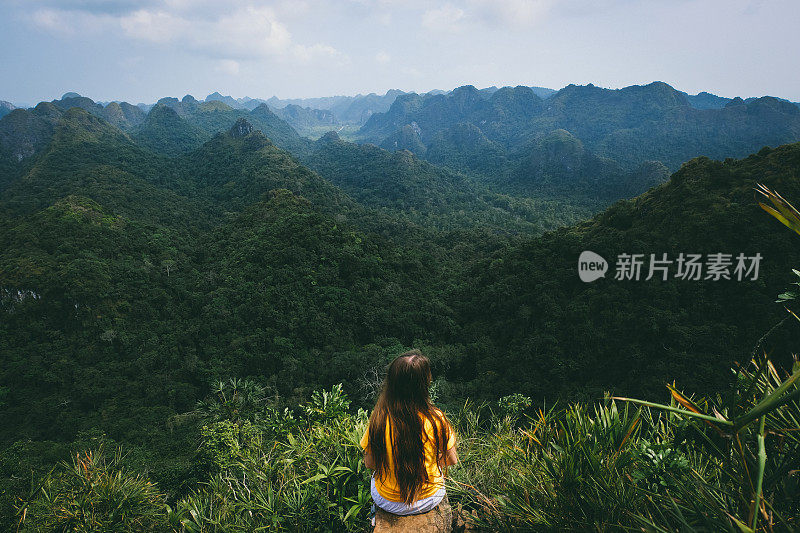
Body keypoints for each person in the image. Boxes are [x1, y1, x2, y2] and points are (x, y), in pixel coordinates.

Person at [360, 349, 458, 518]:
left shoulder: (380, 419)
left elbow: (370, 463)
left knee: (374, 481)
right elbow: (451, 460)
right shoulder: (436, 419)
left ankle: (375, 517)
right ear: (424, 383)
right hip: (429, 499)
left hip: (389, 501)